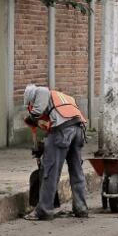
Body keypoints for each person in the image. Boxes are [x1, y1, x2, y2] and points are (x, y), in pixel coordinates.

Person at [22, 84, 88, 220]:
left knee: (50, 171)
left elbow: (37, 112)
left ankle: (44, 210)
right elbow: (54, 120)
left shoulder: (41, 91)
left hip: (63, 132)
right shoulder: (62, 97)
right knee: (76, 171)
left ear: (32, 98)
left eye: (30, 103)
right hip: (78, 130)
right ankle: (81, 208)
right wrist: (44, 143)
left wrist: (31, 118)